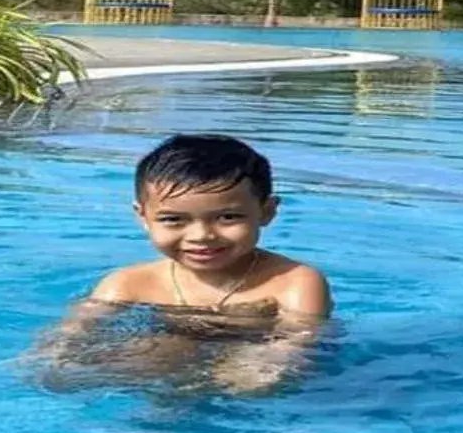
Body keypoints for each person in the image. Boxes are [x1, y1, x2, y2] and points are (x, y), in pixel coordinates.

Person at [36, 134, 331, 396]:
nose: (201, 236)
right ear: (143, 218)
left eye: (228, 217)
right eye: (173, 220)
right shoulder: (128, 283)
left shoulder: (294, 281)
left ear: (266, 211)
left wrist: (266, 364)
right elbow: (72, 331)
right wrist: (55, 358)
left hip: (248, 362)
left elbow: (298, 341)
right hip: (167, 361)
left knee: (255, 377)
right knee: (150, 354)